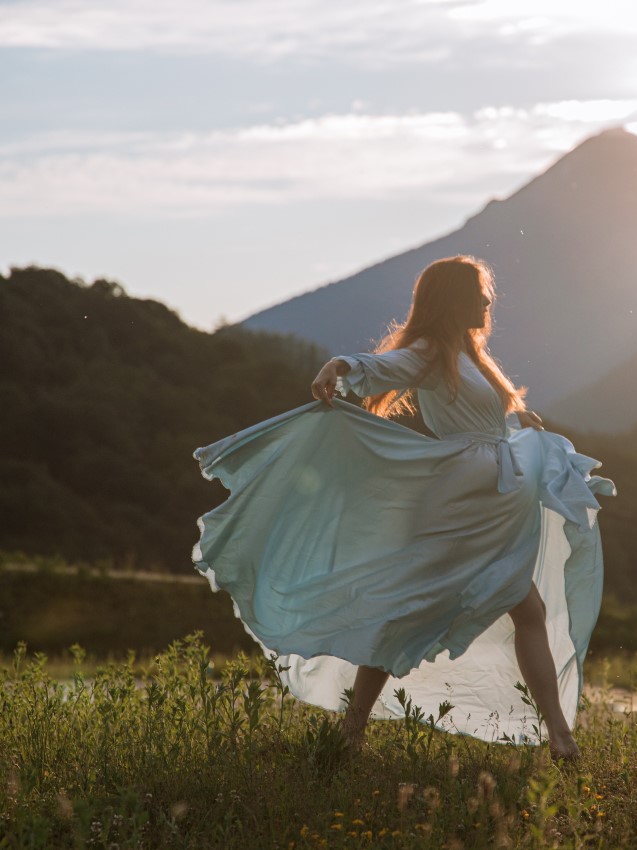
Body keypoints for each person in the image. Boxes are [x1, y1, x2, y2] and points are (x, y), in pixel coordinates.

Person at [192, 255, 614, 762]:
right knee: (418, 610)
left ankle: (557, 737)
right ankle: (358, 732)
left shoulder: (471, 355)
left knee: (514, 609)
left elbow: (485, 420)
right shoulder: (433, 351)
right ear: (453, 299)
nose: (488, 300)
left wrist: (519, 423)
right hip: (462, 506)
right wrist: (342, 366)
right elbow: (387, 367)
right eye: (479, 292)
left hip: (490, 504)